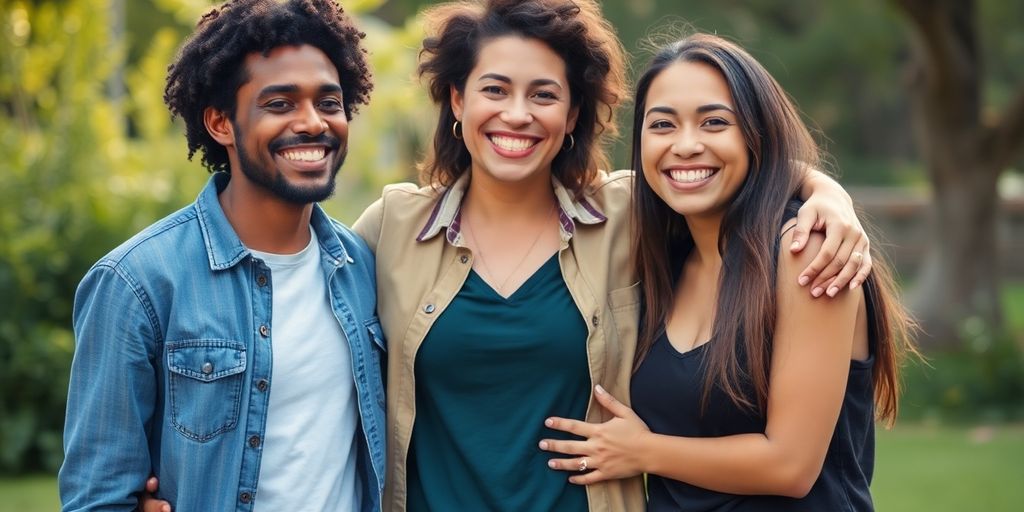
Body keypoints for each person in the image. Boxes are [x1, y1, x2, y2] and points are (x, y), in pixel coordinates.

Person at [352, 2, 873, 511]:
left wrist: (826, 195)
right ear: (457, 100)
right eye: (495, 90)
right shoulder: (394, 227)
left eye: (544, 94)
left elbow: (725, 169)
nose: (517, 114)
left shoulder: (627, 217)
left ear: (573, 114)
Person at [539, 33, 918, 511]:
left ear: (757, 134)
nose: (686, 145)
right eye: (663, 124)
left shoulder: (805, 250)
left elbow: (790, 465)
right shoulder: (663, 258)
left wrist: (643, 451)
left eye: (715, 122)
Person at [58, 1, 386, 511]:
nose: (312, 123)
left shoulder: (360, 266)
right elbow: (96, 496)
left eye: (328, 102)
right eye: (280, 103)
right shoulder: (138, 282)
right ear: (220, 123)